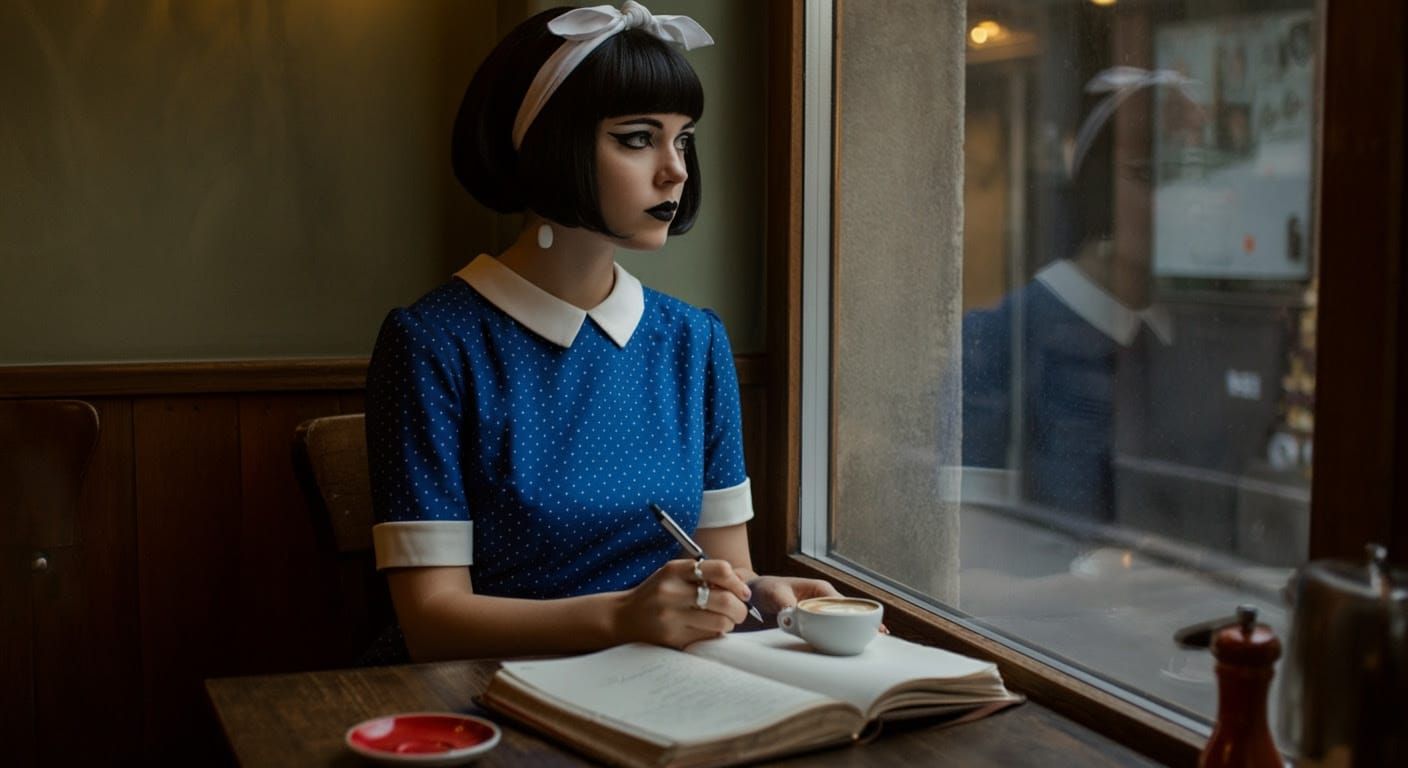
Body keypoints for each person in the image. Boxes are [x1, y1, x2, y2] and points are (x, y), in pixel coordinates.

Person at [364, 2, 838, 663]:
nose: (675, 170)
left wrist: (762, 594)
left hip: (670, 681)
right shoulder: (435, 343)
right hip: (492, 693)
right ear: (551, 146)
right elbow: (432, 623)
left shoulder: (694, 341)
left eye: (684, 139)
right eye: (639, 138)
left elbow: (728, 567)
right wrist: (625, 616)